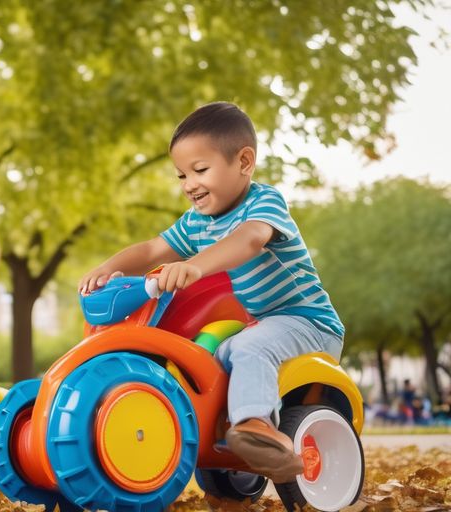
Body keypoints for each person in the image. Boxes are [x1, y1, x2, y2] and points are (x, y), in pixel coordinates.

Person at [78, 102, 344, 483]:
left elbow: (250, 239)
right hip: (266, 324)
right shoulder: (198, 222)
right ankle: (221, 435)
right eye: (182, 175)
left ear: (244, 162)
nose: (189, 184)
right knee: (210, 356)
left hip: (309, 321)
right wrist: (108, 267)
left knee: (248, 348)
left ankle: (257, 427)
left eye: (200, 170)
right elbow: (152, 250)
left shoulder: (264, 202)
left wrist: (195, 265)